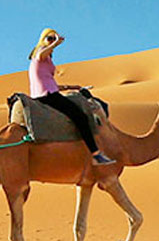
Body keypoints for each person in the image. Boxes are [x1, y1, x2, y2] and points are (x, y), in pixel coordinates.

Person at [26, 28, 114, 165]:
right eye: (48, 38)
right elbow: (41, 54)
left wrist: (71, 87)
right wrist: (55, 43)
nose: (51, 41)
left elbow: (48, 81)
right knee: (81, 117)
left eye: (52, 38)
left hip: (48, 93)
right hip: (47, 96)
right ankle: (96, 154)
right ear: (42, 40)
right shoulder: (39, 53)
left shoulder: (45, 59)